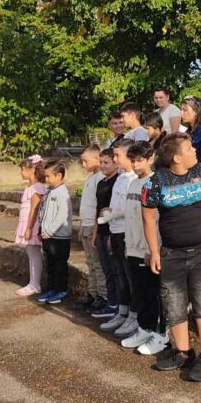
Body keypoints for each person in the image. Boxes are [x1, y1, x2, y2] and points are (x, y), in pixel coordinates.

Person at [142, 133, 201, 383]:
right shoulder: (155, 182)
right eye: (190, 148)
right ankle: (183, 352)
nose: (195, 151)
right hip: (172, 254)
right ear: (177, 158)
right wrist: (154, 251)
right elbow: (148, 218)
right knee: (174, 302)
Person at [120, 140, 166, 352]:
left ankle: (157, 332)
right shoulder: (132, 184)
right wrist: (127, 243)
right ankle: (144, 328)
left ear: (150, 158)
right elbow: (130, 216)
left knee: (151, 292)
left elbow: (155, 221)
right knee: (138, 291)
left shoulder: (155, 182)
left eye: (140, 160)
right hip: (132, 247)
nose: (136, 165)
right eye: (133, 161)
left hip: (148, 250)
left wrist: (151, 249)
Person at [97, 139, 137, 336]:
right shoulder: (121, 178)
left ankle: (134, 317)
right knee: (119, 274)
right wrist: (109, 216)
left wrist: (112, 215)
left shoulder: (133, 179)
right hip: (115, 231)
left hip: (127, 233)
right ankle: (122, 312)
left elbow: (131, 209)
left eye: (117, 155)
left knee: (130, 277)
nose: (114, 159)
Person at [75, 145, 109, 313]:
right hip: (85, 224)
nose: (83, 164)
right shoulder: (91, 177)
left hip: (93, 226)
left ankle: (102, 296)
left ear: (97, 159)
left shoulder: (100, 178)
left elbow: (99, 206)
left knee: (98, 264)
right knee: (90, 262)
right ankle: (93, 293)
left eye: (85, 161)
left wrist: (95, 228)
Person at [36, 160, 72, 305]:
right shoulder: (50, 191)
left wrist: (50, 230)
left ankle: (60, 290)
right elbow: (43, 212)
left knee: (59, 265)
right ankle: (51, 288)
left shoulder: (62, 193)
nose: (46, 179)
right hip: (48, 236)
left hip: (59, 237)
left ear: (59, 176)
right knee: (50, 264)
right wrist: (41, 230)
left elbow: (61, 215)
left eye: (48, 176)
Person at [91, 149, 121, 318]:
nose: (102, 166)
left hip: (113, 231)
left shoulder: (118, 182)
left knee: (116, 270)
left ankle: (118, 305)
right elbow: (98, 209)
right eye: (101, 162)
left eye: (106, 162)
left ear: (116, 164)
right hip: (101, 231)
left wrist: (110, 234)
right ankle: (111, 303)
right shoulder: (101, 183)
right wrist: (95, 232)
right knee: (106, 270)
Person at [14, 154, 47, 297]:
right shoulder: (30, 187)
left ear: (32, 170)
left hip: (32, 224)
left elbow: (34, 209)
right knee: (30, 253)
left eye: (23, 169)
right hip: (28, 223)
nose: (21, 172)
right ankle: (32, 283)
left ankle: (35, 284)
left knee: (34, 254)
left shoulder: (37, 187)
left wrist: (29, 227)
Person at [179, 95, 201, 162]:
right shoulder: (187, 132)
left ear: (196, 111)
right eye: (181, 110)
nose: (181, 113)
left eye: (185, 110)